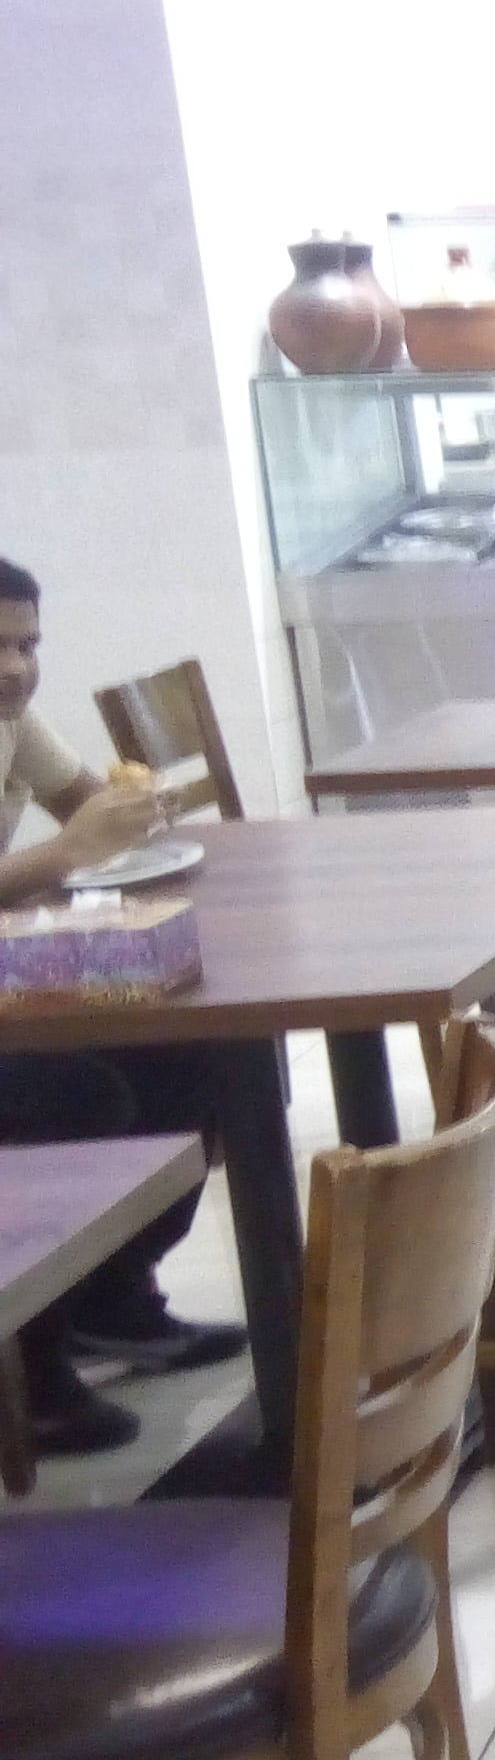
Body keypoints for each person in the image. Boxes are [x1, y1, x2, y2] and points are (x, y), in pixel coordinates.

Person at [0, 560, 243, 1455]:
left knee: (196, 1055)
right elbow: (68, 843)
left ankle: (112, 1296)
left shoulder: (12, 720)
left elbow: (82, 803)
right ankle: (30, 1370)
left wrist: (132, 812)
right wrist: (68, 850)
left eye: (28, 645)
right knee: (77, 1098)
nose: (16, 668)